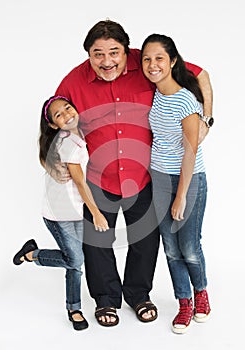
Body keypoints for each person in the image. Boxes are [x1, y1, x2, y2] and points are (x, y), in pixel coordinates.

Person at [54, 19, 213, 326]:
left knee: (146, 241)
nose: (107, 61)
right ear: (88, 54)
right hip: (100, 177)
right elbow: (53, 113)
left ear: (127, 51)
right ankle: (105, 300)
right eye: (97, 54)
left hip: (144, 176)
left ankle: (139, 295)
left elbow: (201, 74)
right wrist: (55, 158)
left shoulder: (148, 62)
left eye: (114, 52)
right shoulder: (74, 80)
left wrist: (206, 119)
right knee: (97, 243)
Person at [13, 96, 109, 331]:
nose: (66, 114)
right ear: (54, 125)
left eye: (68, 108)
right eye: (58, 115)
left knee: (74, 262)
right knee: (75, 260)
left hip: (74, 211)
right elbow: (79, 182)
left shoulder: (74, 136)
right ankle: (33, 256)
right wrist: (96, 212)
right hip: (58, 215)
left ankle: (73, 307)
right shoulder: (68, 143)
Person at [141, 34, 211, 334]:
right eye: (146, 59)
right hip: (158, 178)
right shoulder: (154, 93)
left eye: (159, 58)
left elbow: (190, 151)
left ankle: (201, 294)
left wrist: (180, 195)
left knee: (189, 246)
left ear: (172, 61)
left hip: (188, 179)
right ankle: (184, 302)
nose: (152, 64)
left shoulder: (186, 100)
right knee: (170, 247)